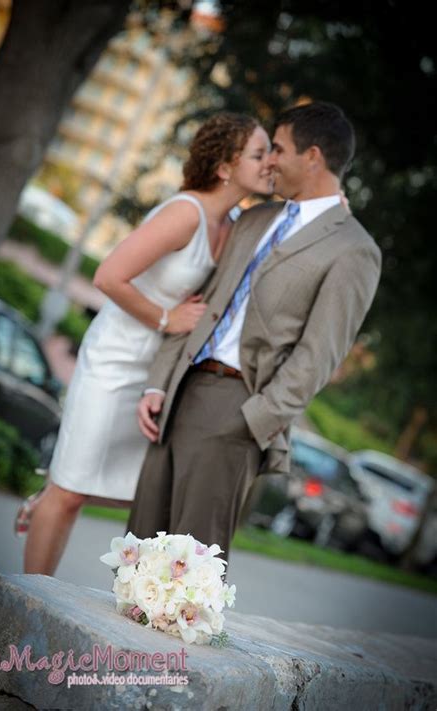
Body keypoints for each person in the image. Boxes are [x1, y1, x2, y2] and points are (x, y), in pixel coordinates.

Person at [19, 112, 274, 575]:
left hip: (155, 372)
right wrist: (167, 317)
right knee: (72, 492)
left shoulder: (235, 224)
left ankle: (48, 496)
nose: (269, 162)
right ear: (225, 167)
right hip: (113, 361)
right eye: (259, 154)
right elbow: (108, 276)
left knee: (128, 487)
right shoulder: (185, 214)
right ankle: (27, 599)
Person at [127, 101, 382, 562]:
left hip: (238, 405)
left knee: (189, 571)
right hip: (180, 392)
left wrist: (255, 420)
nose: (269, 161)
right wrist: (157, 382)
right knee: (139, 550)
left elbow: (318, 355)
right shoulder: (255, 218)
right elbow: (199, 306)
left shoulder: (354, 250)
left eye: (278, 149)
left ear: (313, 157)